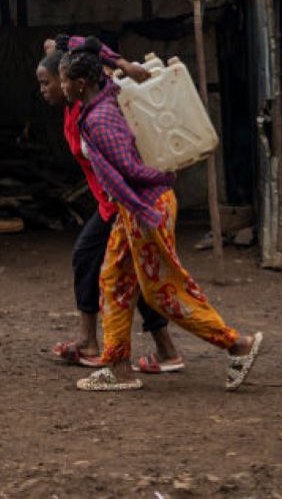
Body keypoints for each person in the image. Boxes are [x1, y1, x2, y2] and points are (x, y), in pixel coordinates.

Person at [58, 38, 263, 392]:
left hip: (145, 207)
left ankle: (236, 344)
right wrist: (123, 63)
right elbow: (79, 41)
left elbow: (127, 171)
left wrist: (161, 180)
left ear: (80, 84)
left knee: (162, 292)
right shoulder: (105, 95)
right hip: (137, 208)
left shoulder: (100, 119)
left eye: (62, 80)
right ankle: (117, 366)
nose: (60, 86)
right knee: (114, 280)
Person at [37, 37, 182, 373]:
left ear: (72, 81)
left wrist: (122, 64)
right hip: (112, 203)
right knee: (134, 274)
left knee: (91, 261)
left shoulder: (94, 111)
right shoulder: (73, 106)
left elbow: (80, 41)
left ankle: (97, 346)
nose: (45, 89)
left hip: (122, 203)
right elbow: (64, 44)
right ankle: (166, 350)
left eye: (49, 83)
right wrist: (51, 49)